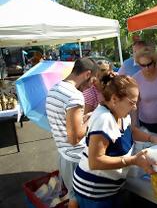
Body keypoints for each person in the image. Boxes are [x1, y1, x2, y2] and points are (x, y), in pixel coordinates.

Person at [72, 72, 157, 207]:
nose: (135, 107)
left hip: (109, 190)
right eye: (132, 103)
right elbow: (95, 161)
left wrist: (153, 138)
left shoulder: (121, 114)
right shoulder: (103, 119)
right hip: (94, 193)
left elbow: (131, 131)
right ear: (115, 99)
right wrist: (133, 160)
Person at [46, 57, 98, 208]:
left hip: (64, 155)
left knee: (73, 197)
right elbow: (75, 138)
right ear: (87, 74)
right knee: (81, 201)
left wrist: (83, 118)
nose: (91, 85)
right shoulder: (74, 96)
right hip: (76, 158)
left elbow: (64, 122)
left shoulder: (55, 89)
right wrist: (92, 119)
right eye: (93, 80)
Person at [131, 45, 157, 134]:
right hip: (145, 124)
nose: (147, 68)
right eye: (143, 65)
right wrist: (134, 124)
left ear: (154, 62)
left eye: (149, 64)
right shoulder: (136, 78)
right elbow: (134, 104)